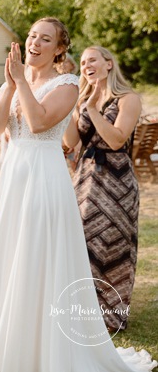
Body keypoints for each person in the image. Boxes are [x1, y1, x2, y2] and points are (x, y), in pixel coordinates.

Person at [0, 18, 156, 372]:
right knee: (8, 253)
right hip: (13, 177)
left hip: (44, 178)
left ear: (59, 49)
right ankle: (4, 340)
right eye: (32, 36)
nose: (35, 43)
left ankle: (45, 348)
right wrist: (10, 86)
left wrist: (21, 85)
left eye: (45, 39)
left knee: (37, 255)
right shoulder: (14, 83)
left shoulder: (67, 84)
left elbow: (38, 123)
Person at [64, 46, 142, 331]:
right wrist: (74, 109)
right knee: (81, 243)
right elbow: (71, 140)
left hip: (117, 183)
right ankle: (82, 310)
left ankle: (110, 314)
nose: (86, 65)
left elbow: (116, 139)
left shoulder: (128, 99)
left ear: (108, 64)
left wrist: (94, 110)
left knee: (113, 245)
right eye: (83, 62)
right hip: (85, 180)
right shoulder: (83, 99)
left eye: (92, 60)